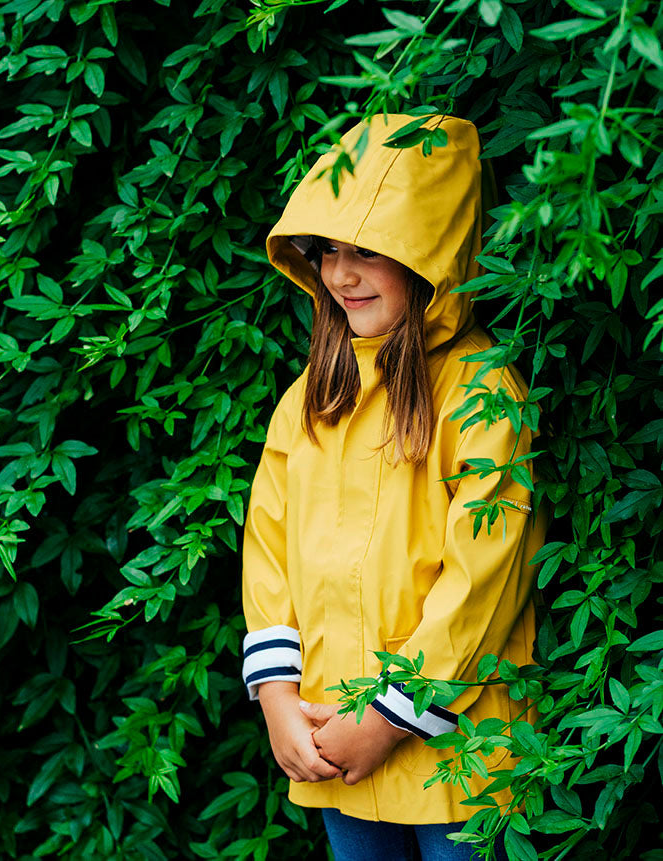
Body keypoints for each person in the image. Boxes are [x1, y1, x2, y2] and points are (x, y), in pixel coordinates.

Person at [240, 113, 545, 860]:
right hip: (328, 739)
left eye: (368, 251)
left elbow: (484, 579)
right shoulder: (310, 395)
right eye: (328, 251)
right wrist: (279, 699)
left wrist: (388, 717)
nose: (340, 275)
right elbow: (268, 550)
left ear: (429, 253)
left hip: (457, 753)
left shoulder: (480, 390)